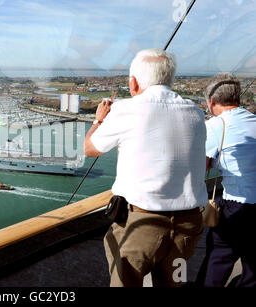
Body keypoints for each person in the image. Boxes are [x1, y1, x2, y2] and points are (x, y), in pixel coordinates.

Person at [84, 48, 208, 287]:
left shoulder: (125, 110)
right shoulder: (196, 112)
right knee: (175, 284)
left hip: (141, 226)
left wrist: (99, 119)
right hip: (188, 228)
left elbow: (90, 148)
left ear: (133, 82)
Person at [195, 73, 256, 287]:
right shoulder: (253, 120)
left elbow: (200, 167)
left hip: (236, 206)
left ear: (211, 102)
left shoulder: (215, 125)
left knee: (218, 259)